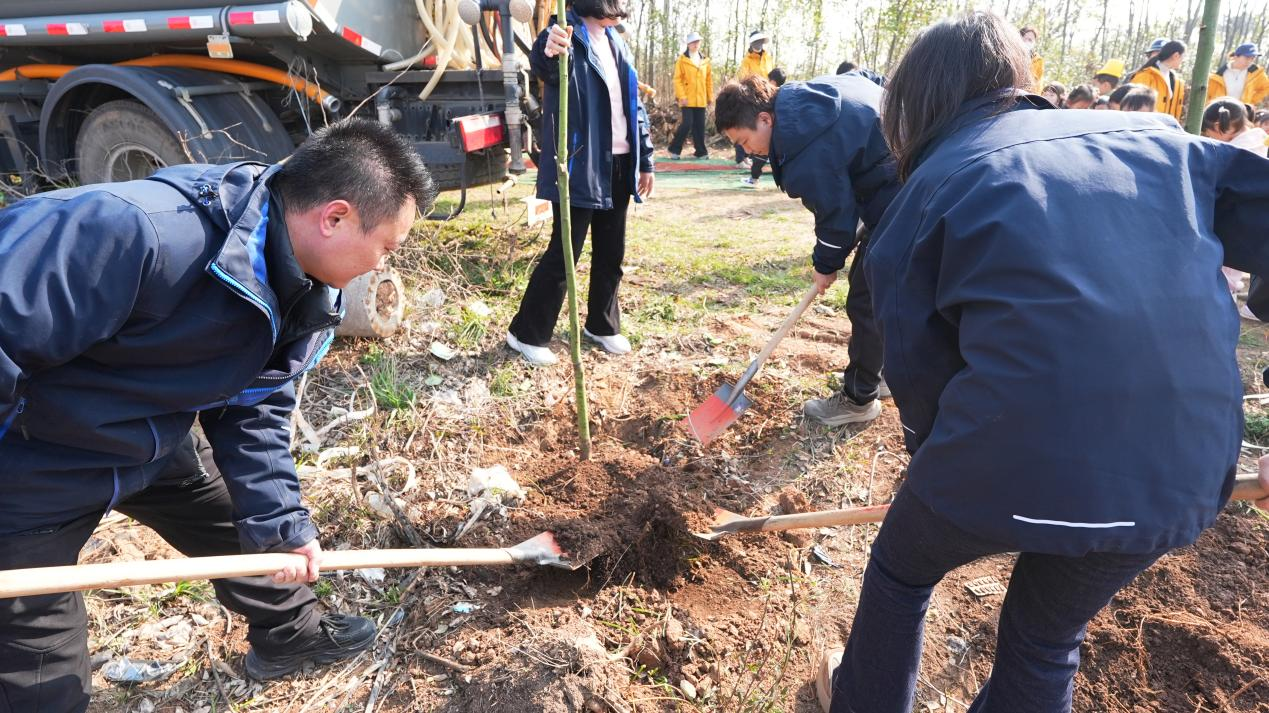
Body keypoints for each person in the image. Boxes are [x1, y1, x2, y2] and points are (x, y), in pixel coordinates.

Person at [813, 10, 1269, 713]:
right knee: (1044, 635)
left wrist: (937, 475)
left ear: (912, 106)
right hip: (1181, 469)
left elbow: (919, 378)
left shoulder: (927, 192)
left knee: (902, 572)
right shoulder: (1163, 141)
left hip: (1007, 458)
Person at [0, 117, 436, 712]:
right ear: (333, 218)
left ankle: (288, 636)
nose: (382, 267)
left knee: (242, 522)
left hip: (150, 431)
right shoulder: (134, 232)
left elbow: (254, 407)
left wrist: (282, 527)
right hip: (32, 457)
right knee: (39, 662)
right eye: (385, 247)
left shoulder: (302, 286)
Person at [715, 73, 900, 426]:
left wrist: (825, 263)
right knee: (884, 292)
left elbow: (835, 215)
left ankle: (860, 398)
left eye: (744, 139)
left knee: (867, 297)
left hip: (906, 184)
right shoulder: (806, 99)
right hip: (903, 165)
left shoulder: (804, 148)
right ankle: (881, 374)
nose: (746, 150)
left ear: (765, 119)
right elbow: (869, 78)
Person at [507, 0, 655, 366]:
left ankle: (602, 325)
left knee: (611, 252)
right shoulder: (563, 32)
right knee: (565, 255)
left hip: (620, 163)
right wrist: (550, 49)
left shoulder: (616, 41)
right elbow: (547, 65)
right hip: (581, 164)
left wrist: (645, 158)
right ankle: (526, 333)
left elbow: (633, 104)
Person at [1200, 98, 1269, 318]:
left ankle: (1225, 293)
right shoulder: (1258, 141)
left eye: (1209, 132)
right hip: (1256, 217)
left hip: (1240, 218)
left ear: (1222, 127)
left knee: (1228, 260)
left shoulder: (1237, 152)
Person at [668, 31, 712, 159]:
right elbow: (677, 79)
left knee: (700, 125)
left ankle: (700, 152)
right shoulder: (682, 60)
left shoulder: (705, 61)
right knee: (687, 123)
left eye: (697, 41)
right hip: (687, 99)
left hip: (701, 98)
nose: (696, 44)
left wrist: (710, 97)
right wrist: (682, 96)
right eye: (693, 42)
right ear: (688, 44)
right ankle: (674, 149)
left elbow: (708, 80)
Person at [741, 67, 788, 187]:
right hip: (781, 135)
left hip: (769, 134)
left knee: (759, 156)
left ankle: (754, 178)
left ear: (772, 81)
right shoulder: (785, 94)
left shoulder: (771, 95)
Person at [734, 30, 775, 169]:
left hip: (765, 96)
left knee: (762, 127)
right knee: (746, 126)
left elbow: (770, 77)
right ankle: (740, 158)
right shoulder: (747, 60)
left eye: (760, 42)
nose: (758, 44)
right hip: (751, 97)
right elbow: (744, 79)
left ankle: (758, 156)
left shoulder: (767, 58)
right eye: (756, 42)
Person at [1128, 40, 1186, 120]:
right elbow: (1133, 108)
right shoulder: (1145, 76)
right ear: (1176, 55)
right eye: (1182, 57)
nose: (1183, 61)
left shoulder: (1177, 81)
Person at [1208, 43, 1269, 107]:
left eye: (1252, 58)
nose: (1249, 62)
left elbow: (1267, 88)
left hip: (1243, 113)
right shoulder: (1218, 76)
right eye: (1247, 58)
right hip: (1220, 112)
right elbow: (1208, 97)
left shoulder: (1256, 73)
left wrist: (1251, 101)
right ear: (1236, 57)